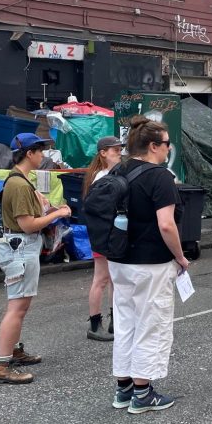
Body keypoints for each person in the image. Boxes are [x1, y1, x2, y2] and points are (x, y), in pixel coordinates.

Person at [107, 116, 190, 414]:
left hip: (120, 260)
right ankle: (143, 393)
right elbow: (166, 225)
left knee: (126, 322)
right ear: (154, 146)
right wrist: (180, 257)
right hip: (151, 262)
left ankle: (124, 388)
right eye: (167, 144)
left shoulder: (118, 169)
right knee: (151, 324)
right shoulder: (160, 177)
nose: (169, 149)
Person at [0, 134, 72, 385]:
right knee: (17, 308)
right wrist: (57, 213)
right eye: (40, 151)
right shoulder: (19, 184)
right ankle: (3, 366)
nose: (44, 156)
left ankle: (14, 351)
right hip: (21, 247)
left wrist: (46, 207)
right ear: (29, 153)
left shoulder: (19, 180)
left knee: (19, 306)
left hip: (18, 247)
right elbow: (27, 225)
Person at [82, 135, 125, 341]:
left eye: (119, 149)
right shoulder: (102, 177)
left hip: (109, 233)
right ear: (103, 153)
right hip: (104, 233)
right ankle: (95, 323)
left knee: (113, 279)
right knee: (101, 279)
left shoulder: (107, 174)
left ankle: (114, 322)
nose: (119, 152)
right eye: (114, 149)